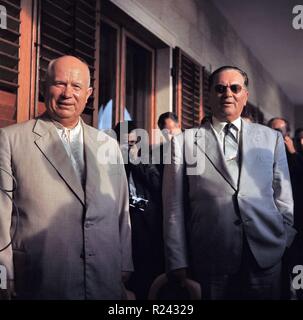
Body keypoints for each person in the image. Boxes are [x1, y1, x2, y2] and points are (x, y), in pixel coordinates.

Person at [0, 55, 133, 300]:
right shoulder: (10, 140)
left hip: (103, 278)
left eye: (76, 86)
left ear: (89, 93)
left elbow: (122, 210)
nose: (67, 93)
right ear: (44, 86)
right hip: (41, 280)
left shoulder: (108, 144)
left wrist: (124, 263)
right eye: (59, 83)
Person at [163, 66, 296, 300]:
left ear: (245, 95)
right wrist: (178, 258)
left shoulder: (271, 138)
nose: (228, 94)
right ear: (210, 95)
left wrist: (282, 240)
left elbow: (283, 197)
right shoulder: (183, 142)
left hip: (266, 258)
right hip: (210, 259)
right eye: (220, 88)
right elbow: (173, 206)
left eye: (235, 88)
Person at [114, 121, 164, 300]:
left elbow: (158, 185)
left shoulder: (149, 159)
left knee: (146, 280)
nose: (129, 148)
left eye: (133, 144)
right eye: (125, 144)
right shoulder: (111, 162)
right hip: (121, 228)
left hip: (146, 229)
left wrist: (136, 160)